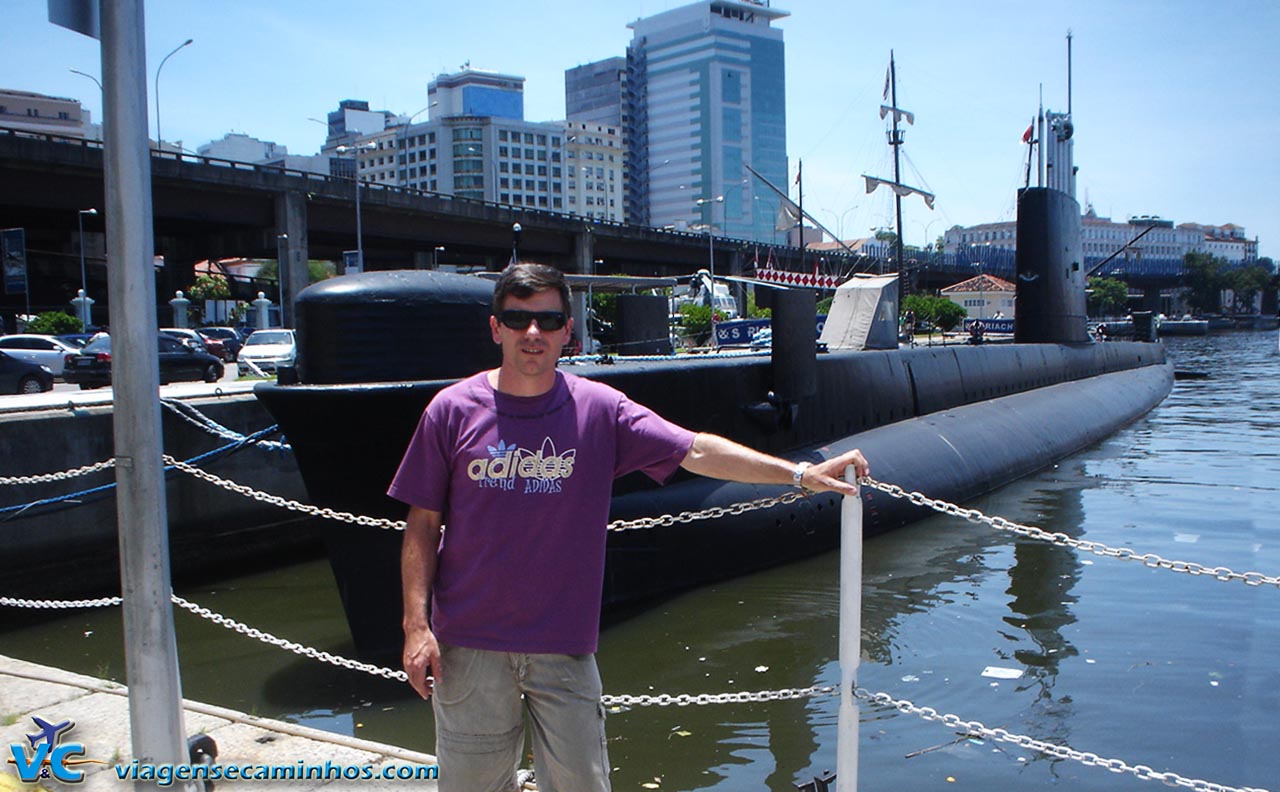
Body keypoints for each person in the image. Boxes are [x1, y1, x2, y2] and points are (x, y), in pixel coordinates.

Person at [389, 262, 870, 792]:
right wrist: (417, 627)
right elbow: (421, 525)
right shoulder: (451, 411)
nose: (533, 333)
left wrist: (801, 474)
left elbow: (696, 449)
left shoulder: (599, 410)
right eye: (518, 319)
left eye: (549, 321)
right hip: (469, 646)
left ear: (568, 332)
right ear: (495, 327)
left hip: (563, 647)